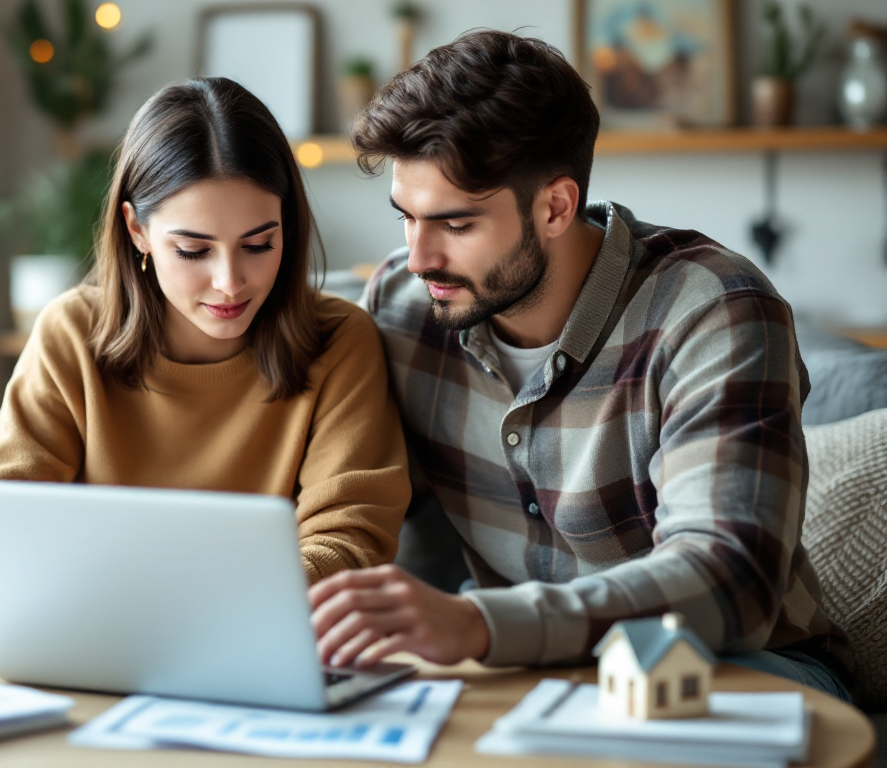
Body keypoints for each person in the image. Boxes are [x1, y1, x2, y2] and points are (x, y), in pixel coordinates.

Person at [309, 30, 853, 700]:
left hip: (732, 670)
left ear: (556, 207)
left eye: (455, 225)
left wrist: (479, 623)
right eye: (406, 218)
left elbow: (728, 577)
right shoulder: (400, 306)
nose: (419, 258)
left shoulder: (713, 309)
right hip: (518, 678)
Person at [0, 77, 410, 665]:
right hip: (84, 644)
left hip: (252, 647)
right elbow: (0, 503)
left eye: (258, 244)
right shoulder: (72, 332)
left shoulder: (341, 343)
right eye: (193, 250)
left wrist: (222, 607)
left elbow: (350, 537)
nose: (230, 282)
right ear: (137, 230)